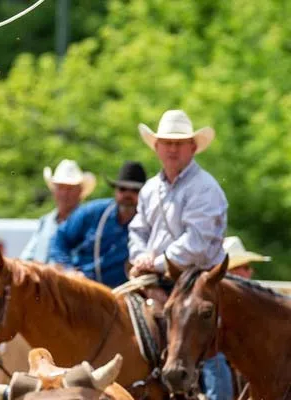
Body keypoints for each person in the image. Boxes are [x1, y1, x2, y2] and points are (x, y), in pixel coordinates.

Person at [127, 109, 232, 400]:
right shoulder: (150, 189)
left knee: (202, 331)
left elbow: (196, 242)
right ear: (157, 147)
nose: (172, 149)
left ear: (192, 147)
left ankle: (217, 394)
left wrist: (156, 262)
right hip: (153, 275)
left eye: (179, 143)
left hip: (199, 279)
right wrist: (140, 257)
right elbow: (137, 230)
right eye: (167, 143)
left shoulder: (205, 188)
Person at [49, 161, 147, 288]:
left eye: (135, 190)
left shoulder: (147, 222)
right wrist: (69, 270)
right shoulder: (93, 212)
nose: (127, 195)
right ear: (115, 191)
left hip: (122, 292)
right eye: (122, 189)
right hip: (81, 286)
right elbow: (59, 239)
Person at [19, 159, 96, 262]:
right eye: (61, 187)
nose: (64, 193)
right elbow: (27, 257)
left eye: (70, 188)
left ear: (80, 191)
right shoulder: (45, 221)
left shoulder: (88, 224)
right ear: (54, 190)